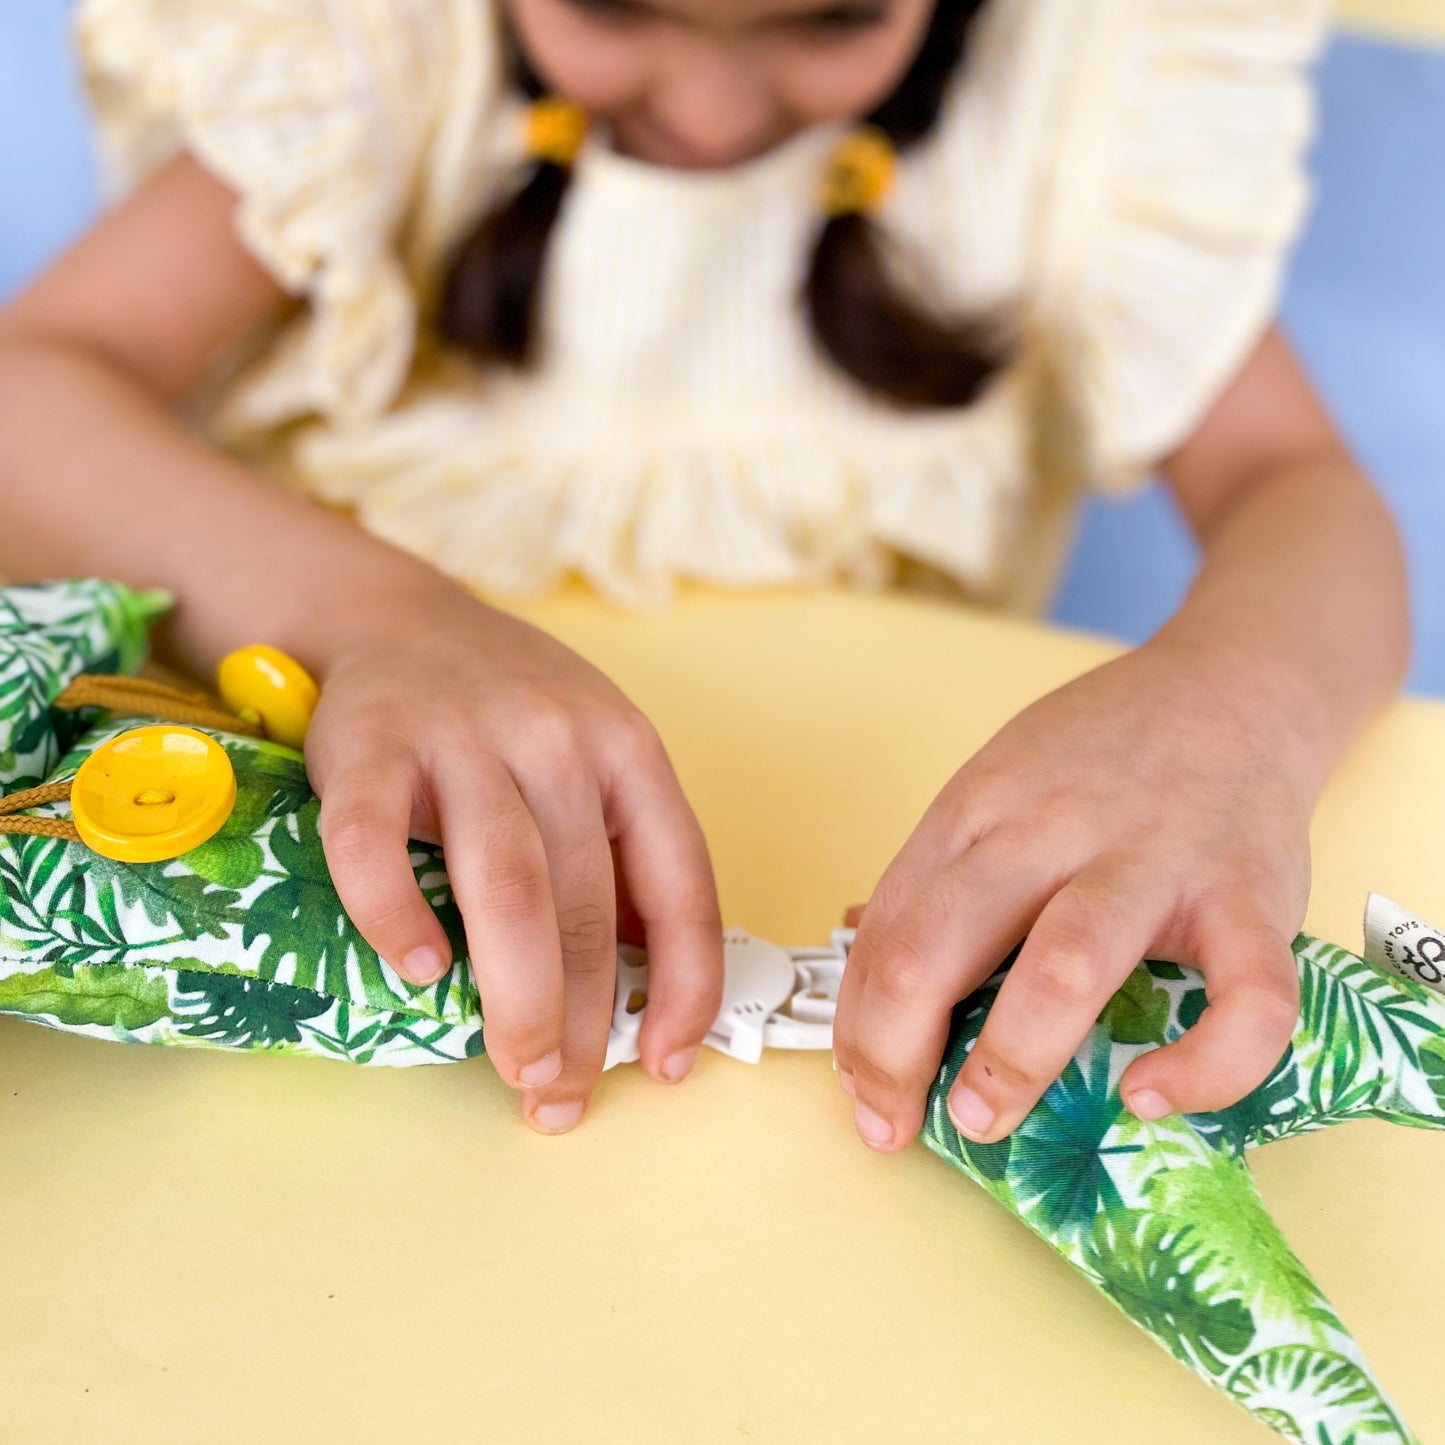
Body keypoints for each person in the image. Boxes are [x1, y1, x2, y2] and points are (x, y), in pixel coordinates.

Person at [0, 0, 1407, 1149]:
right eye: (616, 7)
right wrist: (373, 615)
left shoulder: (1078, 103)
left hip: (840, 882)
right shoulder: (374, 51)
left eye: (833, 19)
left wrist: (1232, 718)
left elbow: (1302, 490)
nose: (716, 108)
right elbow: (30, 394)